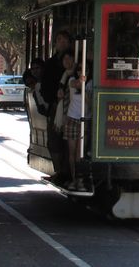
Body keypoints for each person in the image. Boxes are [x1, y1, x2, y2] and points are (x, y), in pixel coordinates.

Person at [59, 55, 88, 191]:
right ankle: (73, 178)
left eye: (84, 69)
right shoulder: (72, 80)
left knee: (80, 153)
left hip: (85, 120)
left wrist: (85, 88)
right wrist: (80, 82)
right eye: (79, 69)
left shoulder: (91, 84)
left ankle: (80, 180)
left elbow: (90, 102)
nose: (81, 72)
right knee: (72, 152)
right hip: (72, 119)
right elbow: (73, 84)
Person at [42, 30, 72, 114]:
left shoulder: (77, 60)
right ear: (55, 43)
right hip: (54, 104)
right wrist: (53, 101)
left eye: (65, 40)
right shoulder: (49, 64)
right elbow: (45, 85)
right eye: (59, 40)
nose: (62, 42)